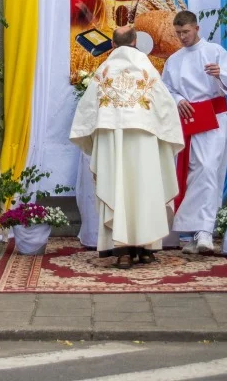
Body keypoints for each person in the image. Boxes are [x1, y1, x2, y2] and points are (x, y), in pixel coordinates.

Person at [69, 25, 184, 269]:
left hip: (112, 140)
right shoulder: (147, 68)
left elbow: (88, 110)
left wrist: (92, 137)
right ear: (135, 42)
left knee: (117, 189)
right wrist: (166, 136)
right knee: (143, 190)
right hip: (143, 139)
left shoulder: (104, 70)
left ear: (112, 44)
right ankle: (144, 249)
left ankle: (121, 250)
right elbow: (165, 106)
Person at [160, 10, 227, 254]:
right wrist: (178, 99)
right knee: (193, 171)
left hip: (213, 118)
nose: (182, 37)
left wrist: (220, 74)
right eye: (178, 33)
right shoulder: (174, 59)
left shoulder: (215, 52)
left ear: (197, 28)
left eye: (186, 32)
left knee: (208, 169)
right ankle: (196, 233)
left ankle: (205, 230)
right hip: (189, 119)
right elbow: (166, 88)